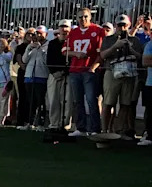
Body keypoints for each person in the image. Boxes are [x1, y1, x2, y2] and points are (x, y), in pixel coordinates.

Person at [98, 15, 143, 134]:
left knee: (125, 104)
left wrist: (130, 48)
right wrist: (115, 46)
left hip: (129, 74)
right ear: (115, 25)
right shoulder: (108, 39)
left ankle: (118, 131)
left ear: (129, 26)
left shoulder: (135, 40)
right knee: (108, 103)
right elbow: (102, 56)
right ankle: (104, 130)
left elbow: (140, 57)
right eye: (119, 25)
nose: (122, 28)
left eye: (125, 25)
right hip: (111, 72)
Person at [67, 7, 105, 136]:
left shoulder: (98, 30)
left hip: (89, 70)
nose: (83, 19)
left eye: (85, 16)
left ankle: (95, 129)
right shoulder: (73, 32)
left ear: (90, 17)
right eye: (80, 17)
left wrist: (93, 67)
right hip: (75, 70)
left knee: (91, 100)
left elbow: (102, 53)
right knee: (78, 101)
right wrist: (75, 53)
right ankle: (81, 128)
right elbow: (64, 51)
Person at [19, 27, 49, 130]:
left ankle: (40, 123)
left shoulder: (48, 45)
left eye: (41, 33)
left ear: (46, 34)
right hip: (29, 77)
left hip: (41, 76)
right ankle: (29, 122)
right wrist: (29, 48)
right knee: (30, 101)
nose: (38, 35)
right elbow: (24, 60)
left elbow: (46, 61)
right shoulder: (31, 45)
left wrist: (40, 49)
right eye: (37, 33)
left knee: (40, 101)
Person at [46, 19, 73, 132]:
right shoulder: (52, 43)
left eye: (66, 27)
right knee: (53, 100)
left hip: (68, 75)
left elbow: (72, 60)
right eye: (62, 26)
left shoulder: (72, 42)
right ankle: (54, 124)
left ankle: (65, 125)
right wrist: (54, 72)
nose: (64, 29)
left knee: (67, 101)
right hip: (54, 75)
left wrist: (64, 72)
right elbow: (49, 60)